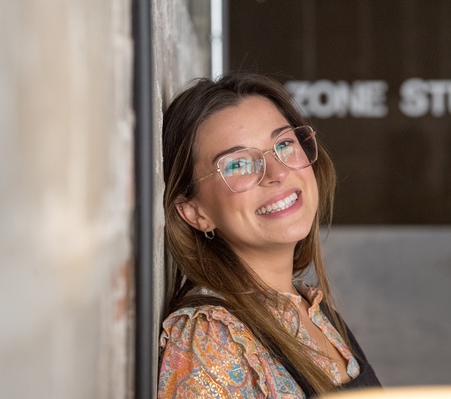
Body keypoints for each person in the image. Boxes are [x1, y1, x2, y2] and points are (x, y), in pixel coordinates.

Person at [158, 72, 381, 398]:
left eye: (284, 144)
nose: (277, 173)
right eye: (237, 165)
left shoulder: (311, 307)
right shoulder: (210, 339)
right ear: (195, 213)